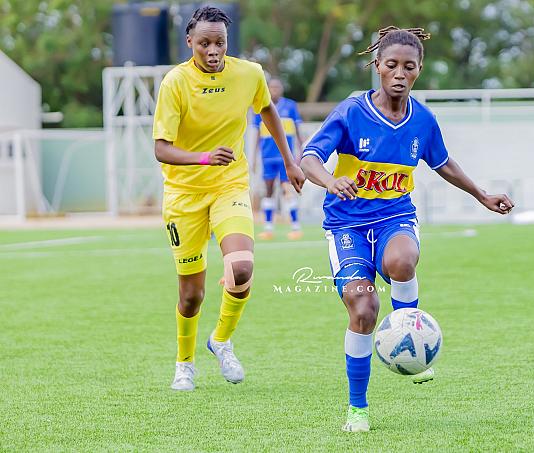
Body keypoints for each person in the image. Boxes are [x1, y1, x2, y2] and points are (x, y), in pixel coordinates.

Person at [300, 26, 514, 432]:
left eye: (409, 66)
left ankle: (408, 334)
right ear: (377, 66)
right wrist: (329, 180)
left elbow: (443, 163)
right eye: (392, 65)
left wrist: (481, 194)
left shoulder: (423, 120)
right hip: (346, 225)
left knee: (401, 261)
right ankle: (358, 409)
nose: (400, 73)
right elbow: (309, 157)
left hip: (394, 216)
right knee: (363, 309)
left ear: (419, 70)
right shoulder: (351, 111)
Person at [152, 6, 305, 391]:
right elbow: (161, 148)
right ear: (190, 42)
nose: (213, 50)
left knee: (241, 268)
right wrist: (204, 157)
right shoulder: (175, 83)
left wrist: (290, 161)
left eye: (219, 42)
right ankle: (184, 363)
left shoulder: (249, 74)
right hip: (184, 196)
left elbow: (267, 110)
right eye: (204, 43)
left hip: (229, 186)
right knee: (191, 295)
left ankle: (221, 340)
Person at [252, 78, 305, 240]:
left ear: (281, 89)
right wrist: (254, 158)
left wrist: (301, 151)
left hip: (285, 157)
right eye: (272, 87)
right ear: (267, 89)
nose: (274, 89)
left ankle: (295, 227)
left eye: (277, 87)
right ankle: (268, 228)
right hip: (267, 157)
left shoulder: (290, 106)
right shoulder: (260, 106)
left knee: (287, 189)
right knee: (268, 190)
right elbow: (257, 134)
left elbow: (298, 131)